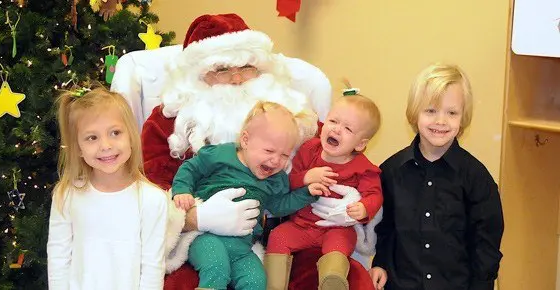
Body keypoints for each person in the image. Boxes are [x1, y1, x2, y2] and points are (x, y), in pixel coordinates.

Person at [113, 12, 376, 290]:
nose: (237, 79)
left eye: (247, 67)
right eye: (223, 69)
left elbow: (345, 161)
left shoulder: (295, 115)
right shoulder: (169, 121)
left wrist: (350, 204)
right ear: (199, 76)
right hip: (199, 239)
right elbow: (148, 192)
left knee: (352, 280)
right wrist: (195, 218)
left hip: (286, 239)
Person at [369, 63, 504, 290]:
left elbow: (486, 243)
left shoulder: (477, 178)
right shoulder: (391, 171)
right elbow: (385, 227)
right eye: (431, 110)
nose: (441, 121)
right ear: (415, 112)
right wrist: (380, 262)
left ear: (463, 117)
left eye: (451, 113)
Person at [172, 101, 324, 290]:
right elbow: (190, 168)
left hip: (242, 248)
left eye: (285, 155)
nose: (276, 160)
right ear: (245, 140)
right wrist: (182, 191)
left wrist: (307, 193)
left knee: (257, 280)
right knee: (216, 267)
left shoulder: (275, 179)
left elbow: (278, 206)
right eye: (269, 150)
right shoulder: (220, 155)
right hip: (205, 236)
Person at [47, 88, 168, 289]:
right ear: (78, 148)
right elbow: (58, 258)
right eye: (92, 137)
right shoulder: (66, 195)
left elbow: (152, 268)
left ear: (131, 135)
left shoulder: (152, 199)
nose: (106, 145)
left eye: (115, 133)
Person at [265, 93, 383, 290]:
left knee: (338, 248)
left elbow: (374, 194)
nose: (337, 129)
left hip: (337, 229)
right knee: (278, 236)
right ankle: (273, 285)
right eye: (333, 121)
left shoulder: (363, 167)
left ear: (360, 144)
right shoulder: (309, 150)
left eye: (347, 128)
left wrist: (363, 208)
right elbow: (288, 182)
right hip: (301, 225)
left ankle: (333, 280)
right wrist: (306, 177)